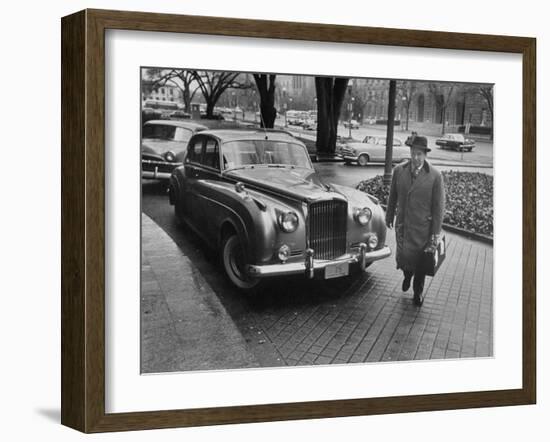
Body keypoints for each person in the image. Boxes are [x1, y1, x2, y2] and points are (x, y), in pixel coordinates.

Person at [385, 135, 445, 306]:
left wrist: (435, 232)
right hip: (403, 225)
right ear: (410, 152)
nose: (416, 158)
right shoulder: (399, 171)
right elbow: (392, 197)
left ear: (425, 155)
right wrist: (389, 215)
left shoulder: (435, 176)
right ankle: (406, 275)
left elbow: (439, 206)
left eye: (419, 154)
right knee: (404, 258)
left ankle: (418, 292)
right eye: (413, 153)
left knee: (421, 262)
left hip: (422, 228)